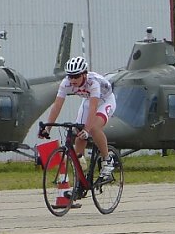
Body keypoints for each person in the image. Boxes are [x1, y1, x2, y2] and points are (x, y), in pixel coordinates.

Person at [39, 56, 117, 185]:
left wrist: (87, 129)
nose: (73, 79)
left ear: (84, 74)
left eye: (76, 76)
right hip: (88, 100)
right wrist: (47, 128)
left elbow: (93, 107)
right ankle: (81, 174)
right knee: (78, 135)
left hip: (104, 101)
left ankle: (107, 159)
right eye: (70, 76)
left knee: (93, 128)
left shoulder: (93, 82)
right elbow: (57, 105)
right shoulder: (66, 83)